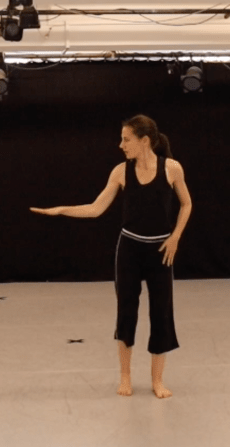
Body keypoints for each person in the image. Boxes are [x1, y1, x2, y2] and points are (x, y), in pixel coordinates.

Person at [30, 115, 192, 399]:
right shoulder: (120, 172)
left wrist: (175, 236)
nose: (121, 145)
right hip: (129, 250)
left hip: (160, 252)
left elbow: (186, 204)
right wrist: (62, 210)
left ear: (144, 141)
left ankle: (157, 380)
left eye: (126, 139)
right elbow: (95, 209)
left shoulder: (172, 168)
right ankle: (125, 377)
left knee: (161, 314)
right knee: (126, 312)